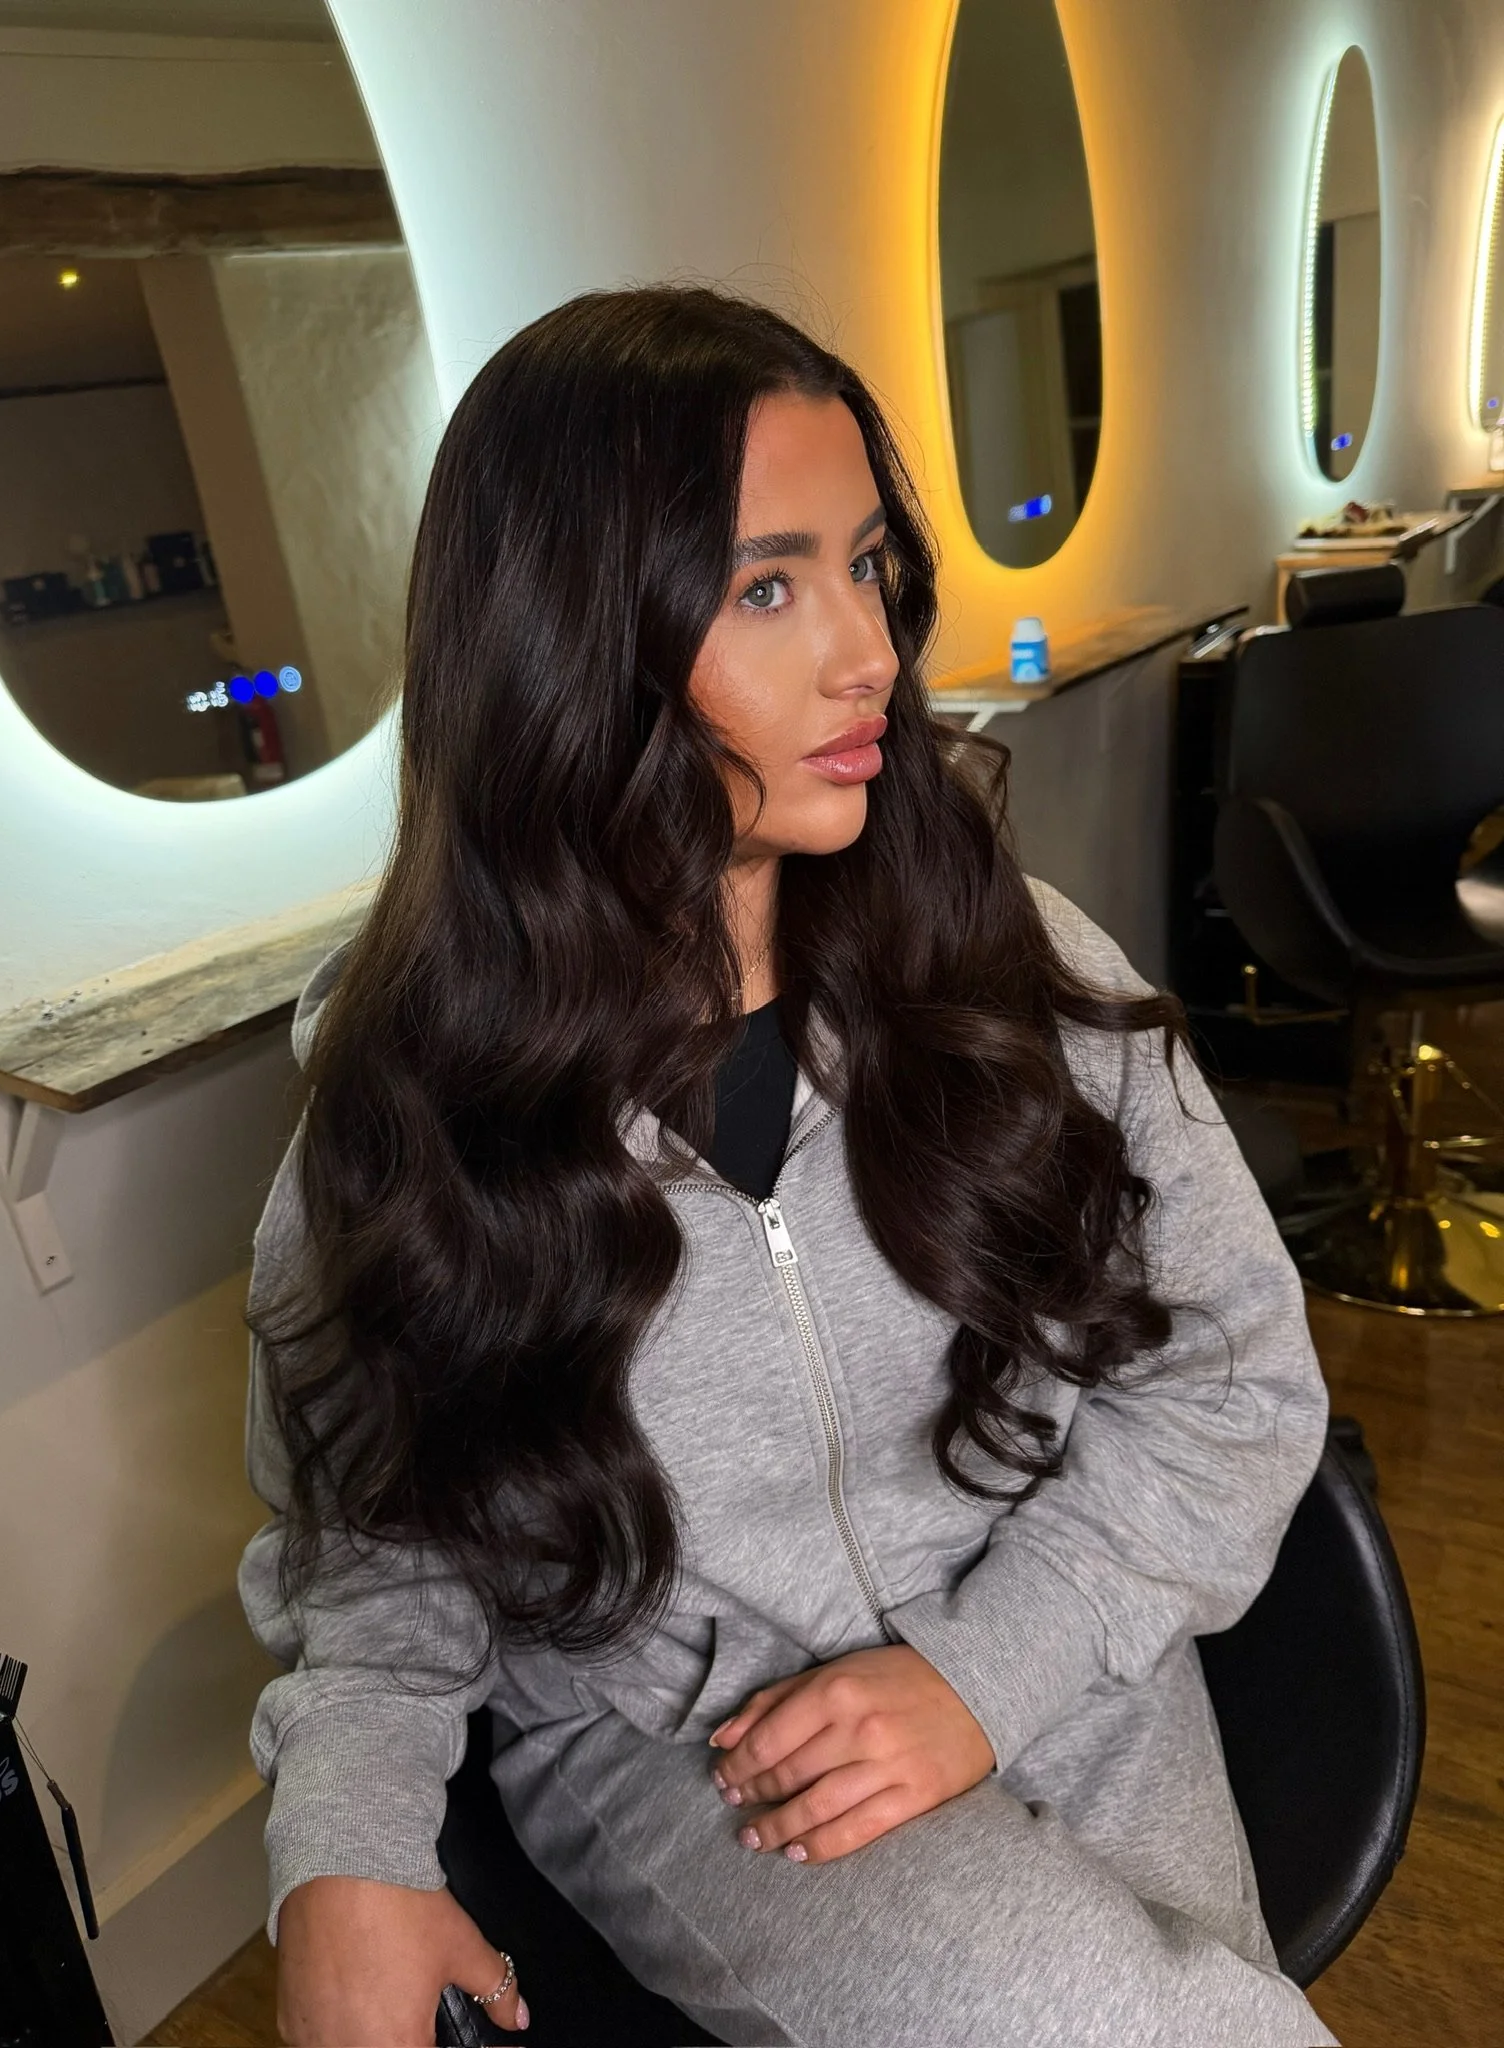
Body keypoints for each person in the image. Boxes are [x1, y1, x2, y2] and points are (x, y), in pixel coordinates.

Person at [239, 284, 1338, 2048]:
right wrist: (347, 1845)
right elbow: (376, 1557)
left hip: (1073, 1666)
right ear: (570, 646)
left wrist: (991, 1670)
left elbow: (1233, 1378)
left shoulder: (1016, 977)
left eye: (868, 567)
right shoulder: (410, 1118)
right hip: (713, 1755)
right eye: (767, 587)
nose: (868, 654)